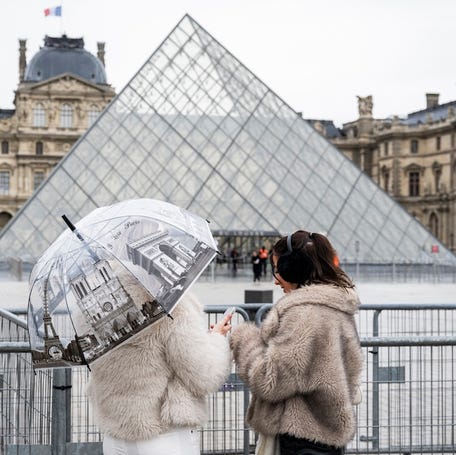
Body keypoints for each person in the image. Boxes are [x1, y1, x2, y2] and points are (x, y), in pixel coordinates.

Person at [230, 230, 363, 455]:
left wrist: (244, 338)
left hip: (300, 438)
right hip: (325, 436)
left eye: (277, 269)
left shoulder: (304, 314)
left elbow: (270, 382)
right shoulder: (334, 307)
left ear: (293, 267)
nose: (275, 279)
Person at [86, 273, 233, 455]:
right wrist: (218, 338)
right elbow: (204, 374)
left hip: (115, 436)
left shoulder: (93, 303)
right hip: (163, 435)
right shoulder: (169, 303)